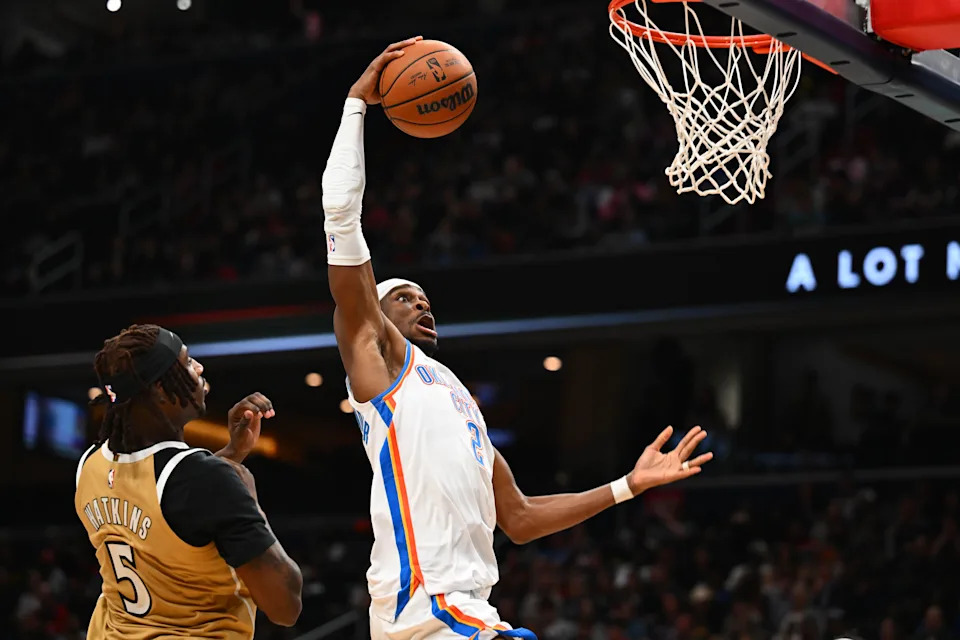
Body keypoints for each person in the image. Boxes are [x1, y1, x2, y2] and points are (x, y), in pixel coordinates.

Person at [322, 37, 714, 639]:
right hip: (427, 608)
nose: (422, 301)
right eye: (404, 296)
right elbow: (341, 217)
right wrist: (356, 105)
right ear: (372, 318)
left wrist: (627, 486)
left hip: (466, 609)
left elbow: (522, 518)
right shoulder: (376, 362)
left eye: (425, 295)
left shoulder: (455, 399)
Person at [74, 324, 302, 639]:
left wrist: (230, 455)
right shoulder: (202, 480)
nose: (199, 368)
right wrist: (246, 495)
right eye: (187, 363)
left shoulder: (90, 465)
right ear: (160, 389)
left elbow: (164, 517)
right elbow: (285, 606)